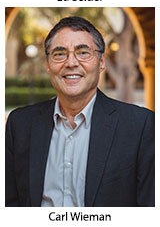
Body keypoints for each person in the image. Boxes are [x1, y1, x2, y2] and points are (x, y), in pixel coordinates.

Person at [5, 16, 155, 207]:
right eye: (59, 54)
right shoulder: (20, 124)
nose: (71, 63)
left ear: (101, 62)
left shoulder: (140, 126)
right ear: (48, 64)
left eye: (83, 52)